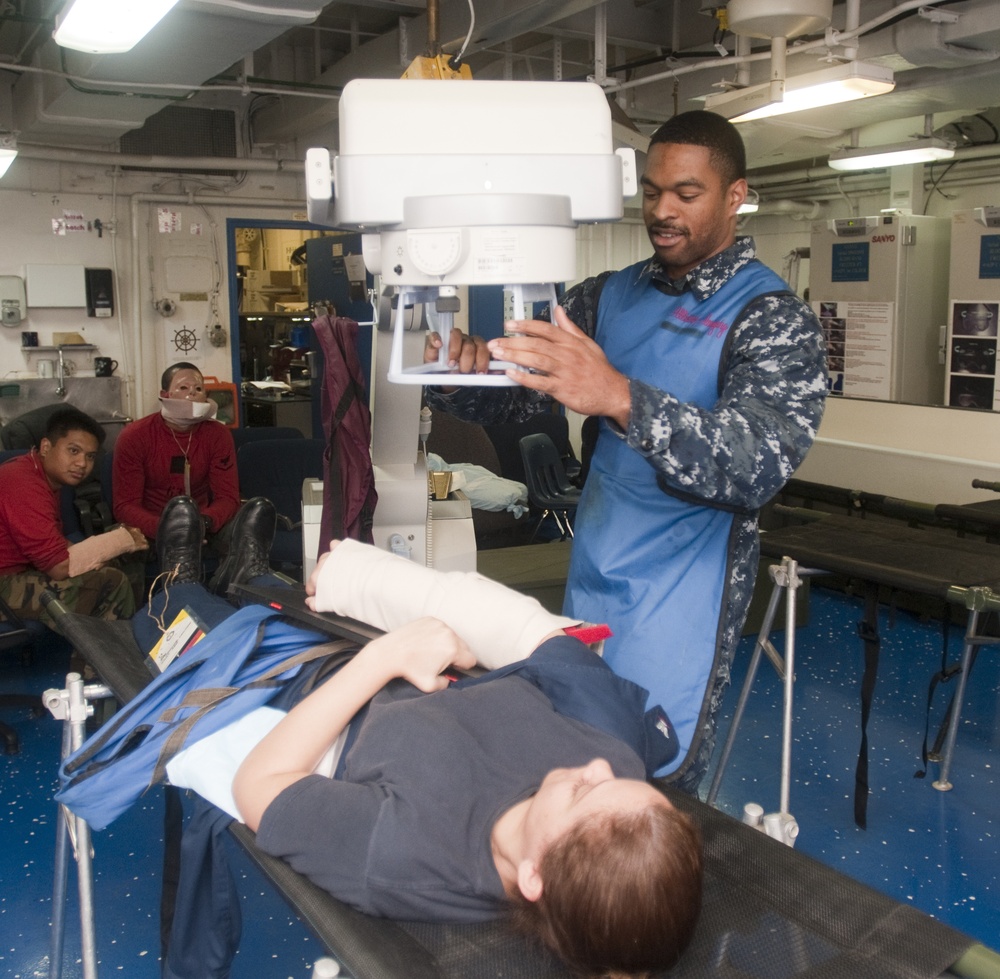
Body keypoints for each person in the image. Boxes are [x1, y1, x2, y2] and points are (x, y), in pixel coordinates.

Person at [59, 534, 703, 978]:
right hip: (390, 646)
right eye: (624, 781)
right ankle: (245, 572)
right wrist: (380, 596)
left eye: (587, 793)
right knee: (286, 587)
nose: (598, 768)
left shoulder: (403, 853)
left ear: (534, 876)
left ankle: (177, 575)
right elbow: (543, 639)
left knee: (176, 619)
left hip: (296, 686)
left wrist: (383, 659)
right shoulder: (612, 753)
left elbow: (263, 782)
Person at [423, 109, 828, 790]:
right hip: (596, 573)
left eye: (686, 194)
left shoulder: (771, 318)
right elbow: (518, 396)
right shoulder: (610, 295)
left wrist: (620, 396)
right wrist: (461, 371)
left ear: (736, 195)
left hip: (682, 598)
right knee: (572, 764)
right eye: (651, 191)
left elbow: (755, 463)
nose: (662, 210)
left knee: (646, 785)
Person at [0, 407, 146, 626]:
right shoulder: (25, 483)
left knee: (125, 560)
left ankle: (125, 641)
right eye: (73, 451)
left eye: (90, 456)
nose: (82, 464)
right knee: (111, 582)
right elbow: (58, 566)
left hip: (22, 568)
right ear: (46, 447)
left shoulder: (44, 477)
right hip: (4, 584)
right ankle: (105, 658)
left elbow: (55, 546)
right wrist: (119, 541)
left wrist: (109, 549)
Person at [112, 362, 241, 559]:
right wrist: (167, 529)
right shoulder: (135, 436)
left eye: (198, 389)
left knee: (242, 530)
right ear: (165, 395)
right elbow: (125, 505)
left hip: (202, 525)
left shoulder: (218, 435)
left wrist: (204, 523)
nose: (193, 394)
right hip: (151, 528)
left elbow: (228, 497)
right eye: (183, 388)